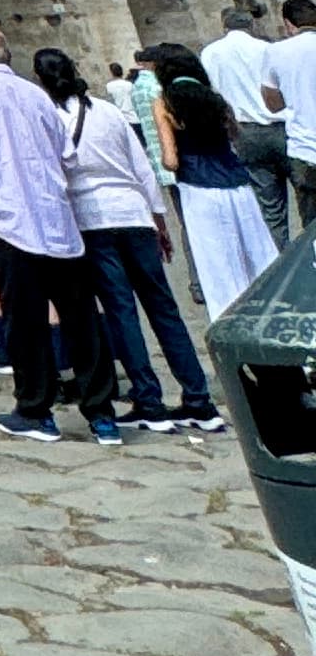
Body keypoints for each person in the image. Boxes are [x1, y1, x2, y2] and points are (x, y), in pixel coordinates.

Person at [0, 26, 122, 445]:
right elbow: (67, 155)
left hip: (10, 220)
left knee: (25, 322)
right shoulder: (36, 95)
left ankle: (36, 409)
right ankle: (102, 414)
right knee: (82, 320)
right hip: (57, 220)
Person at [36, 49, 223, 437]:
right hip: (135, 214)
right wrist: (159, 221)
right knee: (164, 307)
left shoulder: (49, 118)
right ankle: (198, 398)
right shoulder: (106, 111)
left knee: (122, 310)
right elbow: (141, 166)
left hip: (94, 220)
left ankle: (149, 400)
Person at [155, 52, 281, 321]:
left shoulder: (165, 103)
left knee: (219, 266)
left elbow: (170, 160)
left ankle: (231, 324)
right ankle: (274, 316)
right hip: (237, 185)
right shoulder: (216, 100)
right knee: (259, 256)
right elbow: (234, 136)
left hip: (198, 187)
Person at [198, 6, 291, 243]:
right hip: (281, 126)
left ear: (225, 26)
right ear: (251, 26)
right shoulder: (267, 48)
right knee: (306, 193)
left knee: (270, 207)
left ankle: (281, 261)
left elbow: (211, 95)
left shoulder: (210, 53)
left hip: (244, 132)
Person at [267, 0, 316, 240]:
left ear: (288, 24)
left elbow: (272, 103)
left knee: (312, 229)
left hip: (305, 150)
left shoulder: (277, 52)